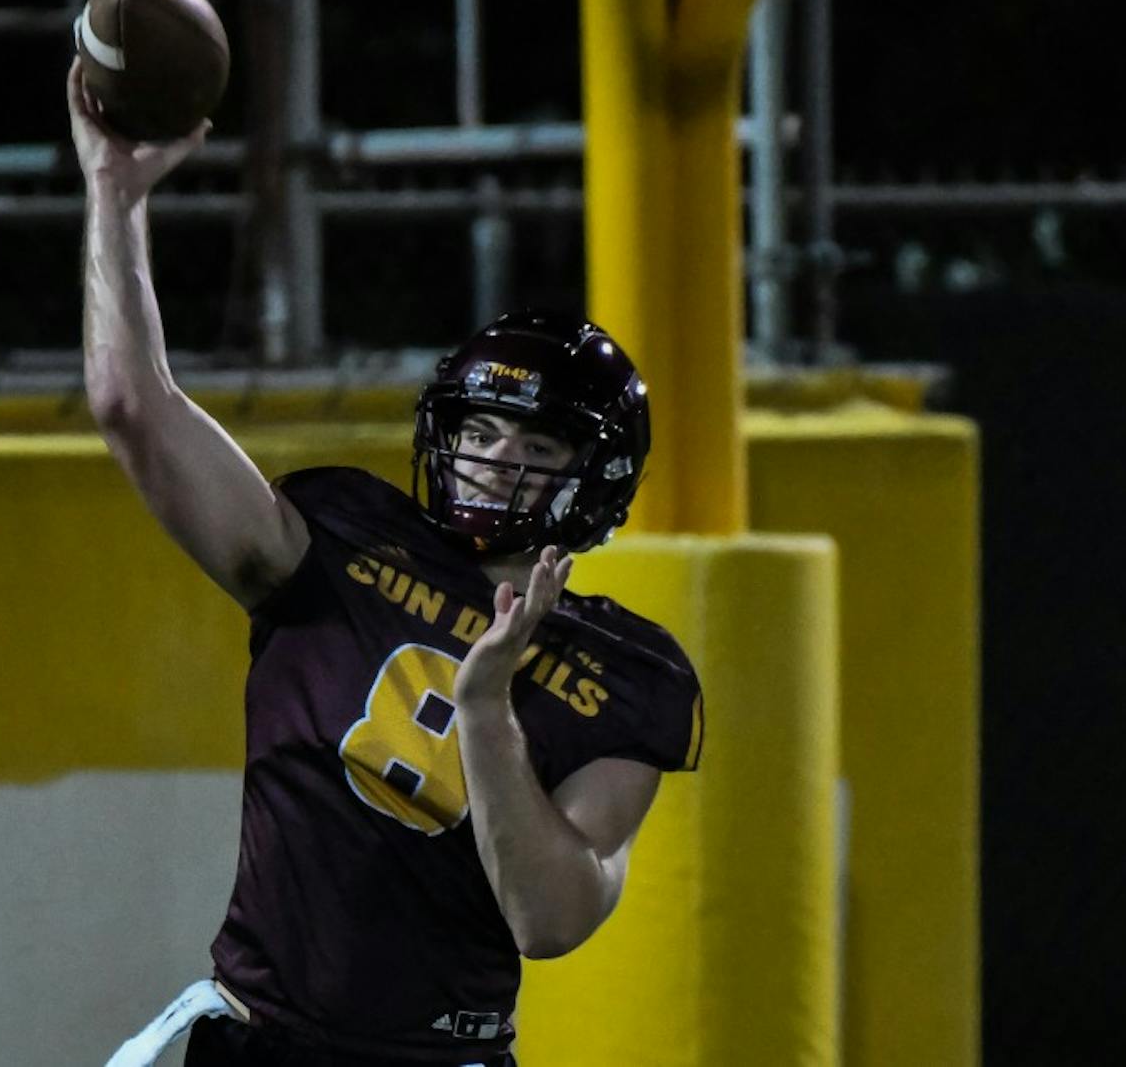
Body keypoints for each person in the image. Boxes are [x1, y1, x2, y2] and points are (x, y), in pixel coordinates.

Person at [69, 59, 703, 1067]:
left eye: (538, 450)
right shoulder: (337, 544)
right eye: (483, 433)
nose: (497, 463)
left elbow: (552, 919)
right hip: (257, 1042)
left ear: (597, 481)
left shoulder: (622, 674)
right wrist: (113, 196)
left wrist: (490, 714)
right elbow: (132, 407)